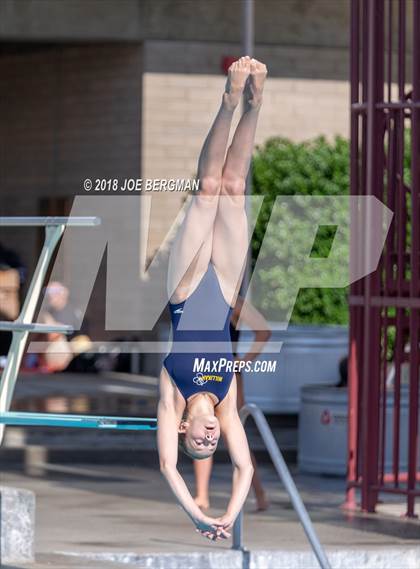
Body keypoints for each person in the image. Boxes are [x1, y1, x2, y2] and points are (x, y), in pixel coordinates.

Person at [157, 56, 267, 541]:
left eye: (199, 444)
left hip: (184, 291)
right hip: (221, 291)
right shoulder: (225, 403)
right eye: (212, 445)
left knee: (206, 191)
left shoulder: (172, 396)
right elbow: (243, 468)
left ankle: (227, 101)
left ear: (184, 431)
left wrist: (194, 515)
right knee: (235, 189)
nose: (210, 439)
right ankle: (254, 104)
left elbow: (166, 467)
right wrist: (224, 512)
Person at [193, 295, 271, 512]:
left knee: (234, 434)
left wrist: (242, 362)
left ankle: (259, 493)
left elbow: (264, 332)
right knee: (201, 429)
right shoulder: (194, 300)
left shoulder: (233, 302)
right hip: (202, 371)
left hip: (227, 375)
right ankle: (201, 495)